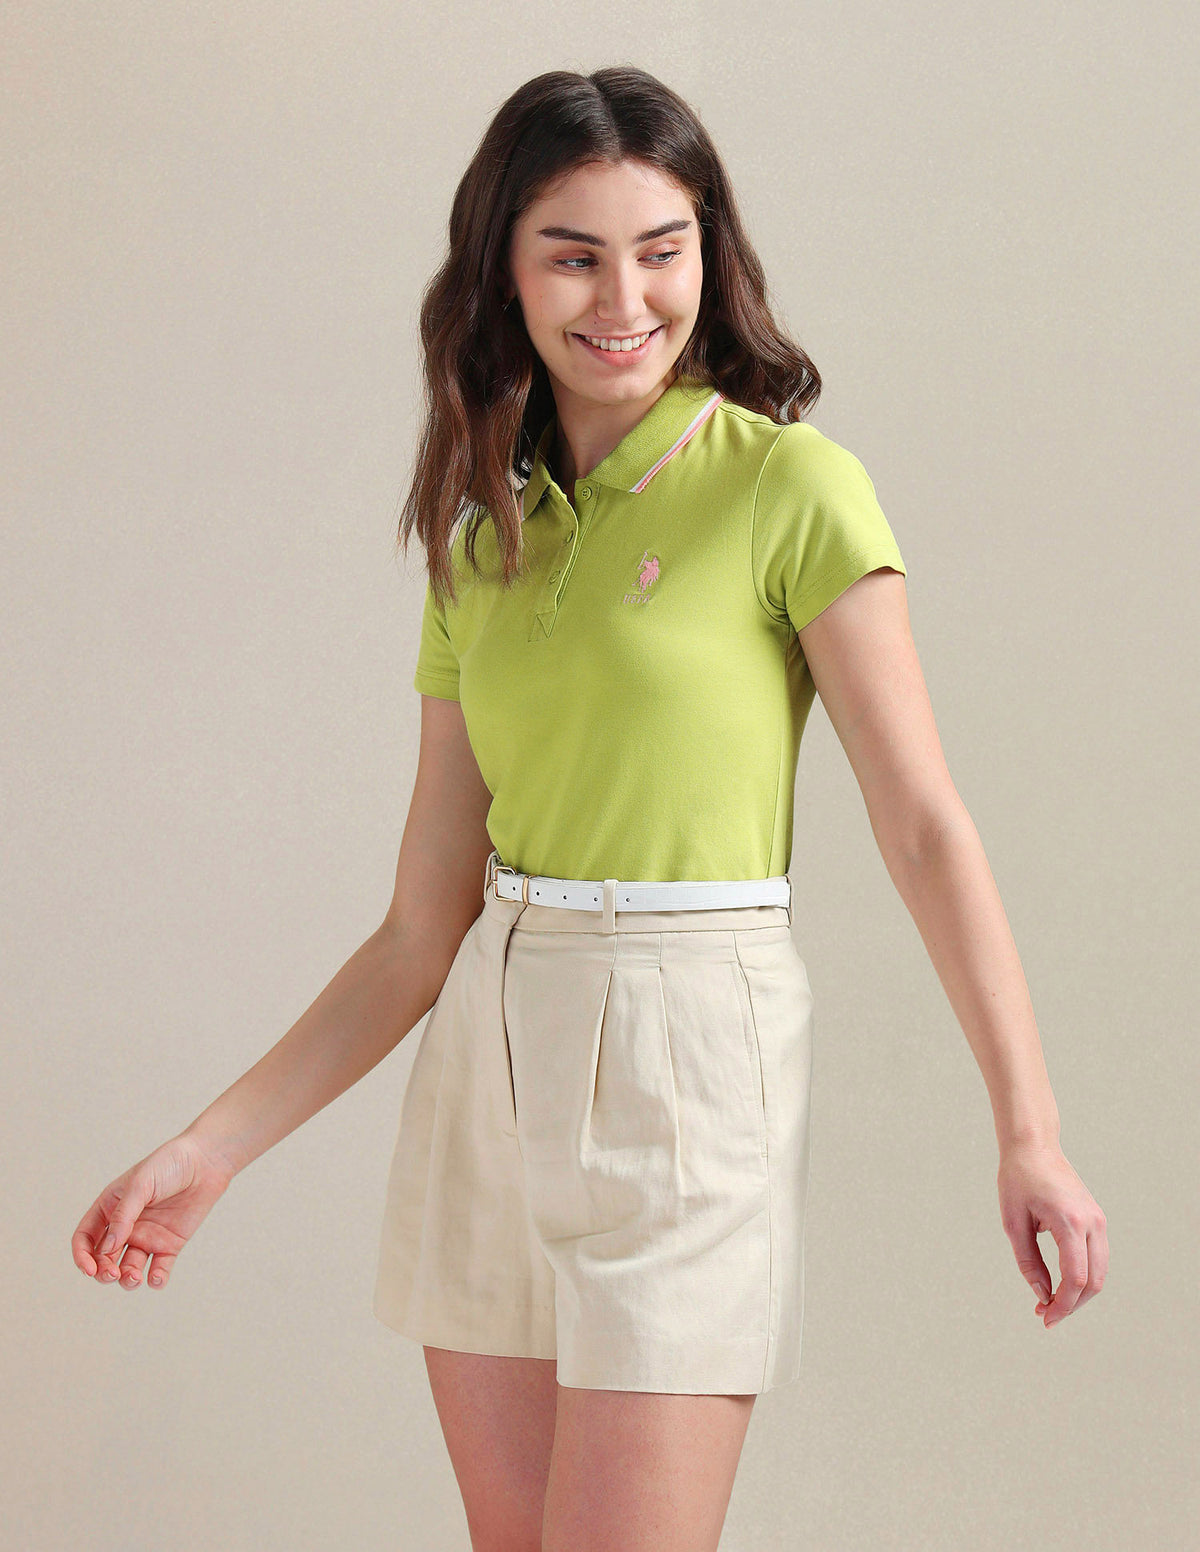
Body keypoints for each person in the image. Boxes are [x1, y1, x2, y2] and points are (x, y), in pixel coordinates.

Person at [72, 65, 1108, 1552]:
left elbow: (924, 825)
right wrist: (211, 1147)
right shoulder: (478, 540)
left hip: (691, 1042)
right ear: (502, 270)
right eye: (573, 256)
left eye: (661, 249)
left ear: (709, 257)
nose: (624, 299)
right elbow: (419, 929)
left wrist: (1031, 1131)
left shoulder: (790, 489)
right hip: (489, 1043)